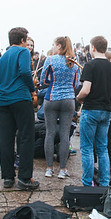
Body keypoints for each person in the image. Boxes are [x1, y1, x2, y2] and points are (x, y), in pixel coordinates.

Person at [0, 26, 39, 190]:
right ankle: (24, 177)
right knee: (26, 137)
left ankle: (8, 177)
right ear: (22, 40)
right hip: (20, 98)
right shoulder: (23, 52)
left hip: (4, 100)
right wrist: (31, 88)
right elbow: (25, 72)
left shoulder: (3, 56)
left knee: (6, 138)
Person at [77, 35, 111, 187]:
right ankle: (105, 183)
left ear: (93, 48)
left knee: (87, 148)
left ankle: (87, 184)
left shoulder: (90, 65)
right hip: (106, 110)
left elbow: (85, 90)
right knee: (102, 148)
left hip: (91, 109)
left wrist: (78, 98)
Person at [40, 36, 80, 178]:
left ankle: (49, 168)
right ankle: (63, 169)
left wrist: (52, 81)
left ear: (59, 46)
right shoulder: (74, 63)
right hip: (68, 99)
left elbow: (43, 80)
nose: (52, 47)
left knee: (50, 133)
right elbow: (76, 85)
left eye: (53, 44)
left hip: (52, 98)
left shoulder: (50, 60)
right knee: (64, 135)